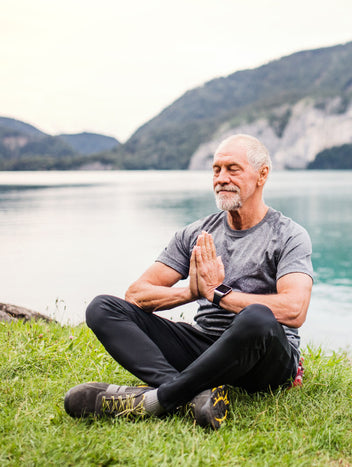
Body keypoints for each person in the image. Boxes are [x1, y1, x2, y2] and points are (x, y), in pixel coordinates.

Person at [64, 134, 313, 429]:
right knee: (102, 308)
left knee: (257, 318)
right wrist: (191, 292)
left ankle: (158, 399)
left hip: (266, 362)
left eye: (232, 169)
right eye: (216, 169)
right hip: (206, 347)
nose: (221, 178)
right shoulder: (196, 233)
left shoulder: (288, 235)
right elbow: (136, 294)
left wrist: (218, 294)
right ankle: (192, 394)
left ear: (262, 175)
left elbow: (294, 310)